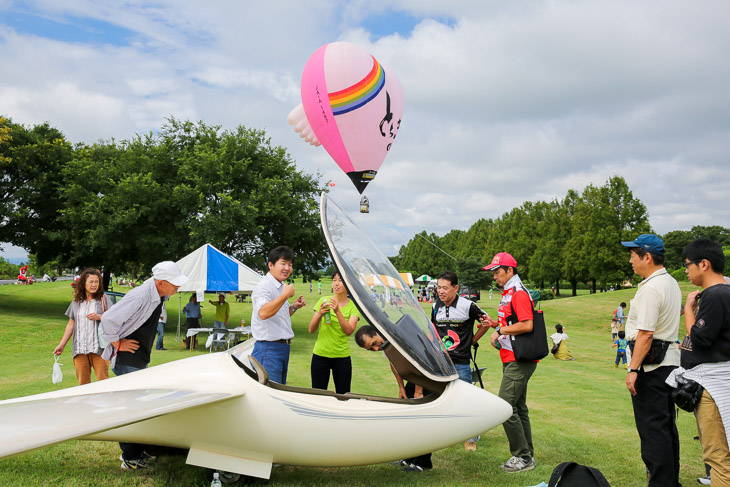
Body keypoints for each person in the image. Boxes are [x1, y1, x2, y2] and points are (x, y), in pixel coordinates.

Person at [99, 261, 189, 470]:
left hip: (139, 357)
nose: (178, 287)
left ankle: (138, 450)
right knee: (131, 409)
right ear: (159, 283)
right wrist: (117, 343)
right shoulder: (139, 295)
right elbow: (108, 319)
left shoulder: (160, 294)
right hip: (127, 359)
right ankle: (129, 457)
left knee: (140, 406)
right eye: (174, 284)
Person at [667, 238, 730, 486]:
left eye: (688, 265)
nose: (686, 270)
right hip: (718, 381)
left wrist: (690, 308)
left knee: (717, 457)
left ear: (704, 264)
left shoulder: (715, 295)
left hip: (713, 388)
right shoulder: (725, 292)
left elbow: (700, 338)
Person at [621, 234, 682, 486]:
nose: (630, 260)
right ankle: (669, 480)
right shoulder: (670, 282)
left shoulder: (652, 287)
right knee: (666, 426)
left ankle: (660, 482)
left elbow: (645, 334)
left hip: (652, 366)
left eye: (633, 255)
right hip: (668, 364)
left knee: (652, 429)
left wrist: (633, 369)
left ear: (647, 257)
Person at [481, 252, 538, 473]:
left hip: (519, 358)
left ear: (510, 271)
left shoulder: (518, 293)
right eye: (493, 272)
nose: (494, 276)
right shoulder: (509, 291)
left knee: (505, 407)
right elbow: (512, 322)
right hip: (511, 356)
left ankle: (522, 457)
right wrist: (495, 323)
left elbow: (527, 325)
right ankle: (527, 455)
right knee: (519, 408)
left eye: (497, 271)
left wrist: (499, 330)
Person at [354, 325, 431, 472]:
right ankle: (408, 458)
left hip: (426, 377)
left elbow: (419, 361)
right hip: (413, 378)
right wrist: (402, 388)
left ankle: (423, 463)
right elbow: (394, 364)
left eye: (374, 344)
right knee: (407, 419)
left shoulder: (398, 337)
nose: (376, 349)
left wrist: (418, 390)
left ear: (376, 332)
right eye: (371, 349)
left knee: (422, 420)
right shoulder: (385, 344)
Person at [432, 270, 490, 450]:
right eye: (439, 287)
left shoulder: (468, 305)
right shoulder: (436, 306)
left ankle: (471, 437)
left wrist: (472, 341)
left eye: (445, 288)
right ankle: (448, 433)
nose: (441, 291)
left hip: (462, 361)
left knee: (466, 399)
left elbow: (487, 322)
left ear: (456, 288)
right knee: (443, 398)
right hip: (442, 362)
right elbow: (433, 328)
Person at [250, 246, 307, 385]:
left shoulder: (279, 286)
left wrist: (293, 307)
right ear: (271, 265)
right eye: (283, 263)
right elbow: (263, 313)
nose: (287, 268)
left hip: (281, 349)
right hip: (268, 349)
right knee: (271, 395)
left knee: (279, 391)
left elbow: (278, 316)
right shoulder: (264, 287)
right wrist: (285, 295)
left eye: (290, 264)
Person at [53, 268, 113, 385]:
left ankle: (105, 403)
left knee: (103, 383)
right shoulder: (76, 302)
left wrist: (99, 317)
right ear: (83, 283)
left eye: (96, 282)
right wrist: (61, 345)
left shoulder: (103, 299)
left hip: (99, 349)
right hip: (80, 350)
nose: (94, 285)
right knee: (83, 385)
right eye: (91, 282)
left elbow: (113, 319)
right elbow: (71, 324)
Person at [308, 271, 359, 394]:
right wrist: (320, 314)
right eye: (334, 280)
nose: (336, 284)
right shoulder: (323, 301)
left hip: (342, 357)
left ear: (348, 284)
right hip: (320, 355)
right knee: (318, 395)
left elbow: (349, 331)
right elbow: (311, 330)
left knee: (343, 396)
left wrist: (337, 311)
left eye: (340, 280)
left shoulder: (353, 306)